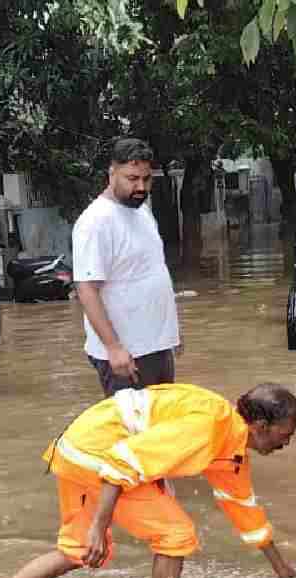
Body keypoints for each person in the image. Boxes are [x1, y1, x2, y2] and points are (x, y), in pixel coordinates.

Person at [0, 383, 296, 578]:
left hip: (78, 448)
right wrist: (99, 526)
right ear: (260, 425)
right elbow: (121, 464)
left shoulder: (230, 446)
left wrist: (281, 569)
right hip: (98, 455)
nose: (287, 442)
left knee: (78, 550)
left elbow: (243, 507)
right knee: (176, 535)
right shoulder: (207, 427)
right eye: (285, 434)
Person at [72, 137, 181, 398]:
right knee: (134, 434)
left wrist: (171, 335)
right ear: (112, 173)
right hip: (127, 355)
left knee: (162, 430)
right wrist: (113, 348)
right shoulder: (96, 222)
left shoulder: (141, 211)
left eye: (146, 179)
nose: (140, 187)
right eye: (132, 179)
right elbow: (86, 290)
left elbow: (152, 272)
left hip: (156, 346)